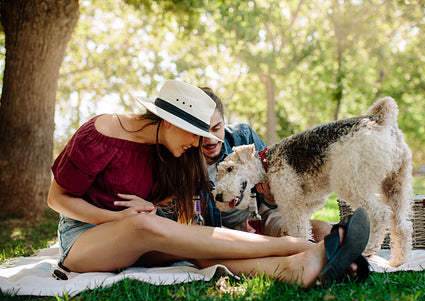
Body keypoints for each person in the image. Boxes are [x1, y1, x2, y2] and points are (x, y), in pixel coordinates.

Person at [48, 79, 369, 287]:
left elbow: (175, 220)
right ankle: (299, 247)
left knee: (196, 249)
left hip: (139, 238)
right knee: (143, 227)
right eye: (196, 135)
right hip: (84, 241)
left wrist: (152, 209)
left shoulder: (173, 155)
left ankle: (297, 268)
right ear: (171, 121)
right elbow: (57, 198)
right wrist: (120, 218)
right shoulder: (102, 133)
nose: (200, 144)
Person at [199, 87, 334, 242]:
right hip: (217, 231)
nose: (210, 140)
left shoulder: (243, 137)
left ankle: (348, 254)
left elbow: (277, 195)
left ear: (224, 120)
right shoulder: (184, 158)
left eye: (216, 128)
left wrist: (270, 197)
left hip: (259, 214)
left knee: (322, 232)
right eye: (203, 132)